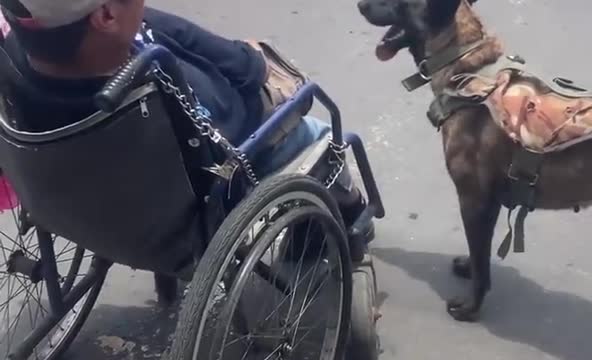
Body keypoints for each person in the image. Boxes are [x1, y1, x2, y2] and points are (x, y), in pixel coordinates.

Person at [0, 0, 372, 303]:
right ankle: (352, 212)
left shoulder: (16, 59)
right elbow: (232, 85)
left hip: (75, 204)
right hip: (197, 199)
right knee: (317, 132)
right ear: (106, 15)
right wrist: (253, 67)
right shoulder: (152, 81)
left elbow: (171, 30)